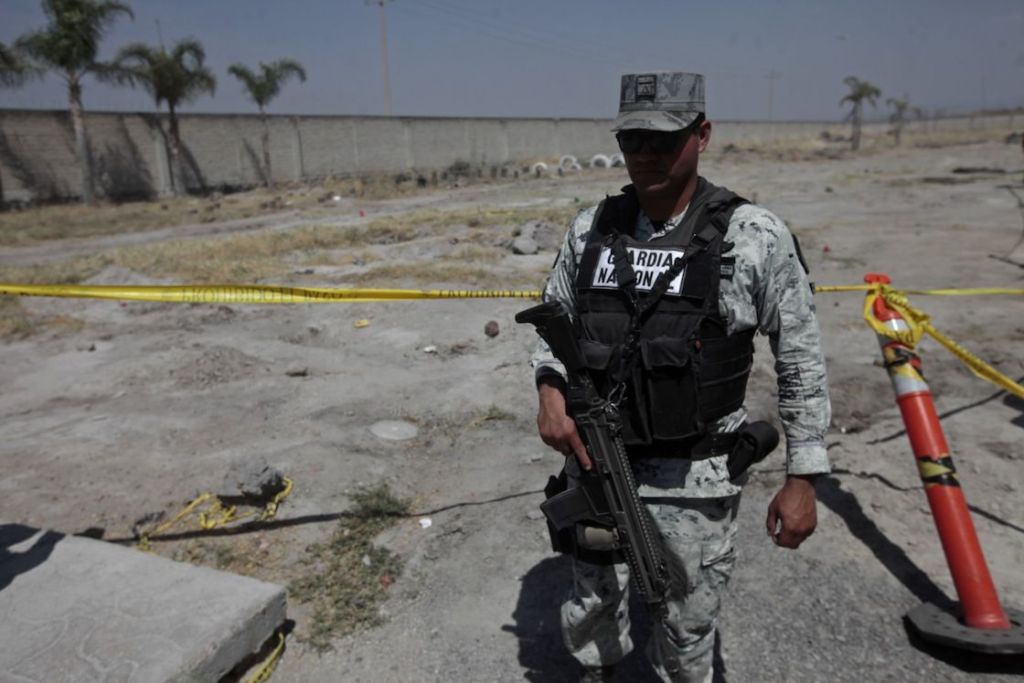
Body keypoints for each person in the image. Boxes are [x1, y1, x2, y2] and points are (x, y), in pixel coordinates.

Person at [529, 72, 832, 683]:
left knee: (688, 623)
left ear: (703, 135)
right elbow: (549, 322)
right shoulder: (592, 229)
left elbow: (799, 356)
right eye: (632, 139)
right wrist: (549, 389)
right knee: (591, 602)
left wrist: (805, 475)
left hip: (696, 477)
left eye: (664, 140)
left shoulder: (754, 236)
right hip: (594, 467)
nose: (645, 154)